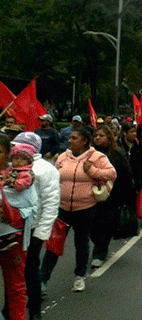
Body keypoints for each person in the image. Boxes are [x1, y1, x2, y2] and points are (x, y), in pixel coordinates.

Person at [40, 128, 116, 293]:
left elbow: (111, 174)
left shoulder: (97, 157)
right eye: (69, 137)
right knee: (54, 244)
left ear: (84, 141)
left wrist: (92, 171)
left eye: (74, 138)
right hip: (62, 209)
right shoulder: (62, 157)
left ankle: (79, 276)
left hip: (85, 209)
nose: (69, 140)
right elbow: (54, 176)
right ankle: (42, 280)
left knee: (81, 244)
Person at [8, 132, 59, 320]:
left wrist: (41, 233)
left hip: (32, 230)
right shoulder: (10, 168)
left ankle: (35, 310)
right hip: (11, 228)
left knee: (30, 270)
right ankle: (10, 309)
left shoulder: (46, 170)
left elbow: (51, 202)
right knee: (12, 273)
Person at [0, 135, 39, 320]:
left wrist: (8, 212)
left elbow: (30, 208)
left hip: (11, 239)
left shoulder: (21, 176)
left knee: (15, 287)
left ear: (8, 153)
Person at [90, 126, 137, 268]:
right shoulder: (90, 154)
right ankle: (99, 246)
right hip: (91, 196)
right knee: (92, 227)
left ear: (109, 138)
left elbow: (126, 174)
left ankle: (100, 252)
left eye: (101, 135)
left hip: (112, 196)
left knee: (105, 225)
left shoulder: (115, 153)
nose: (98, 138)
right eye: (96, 135)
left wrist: (124, 195)